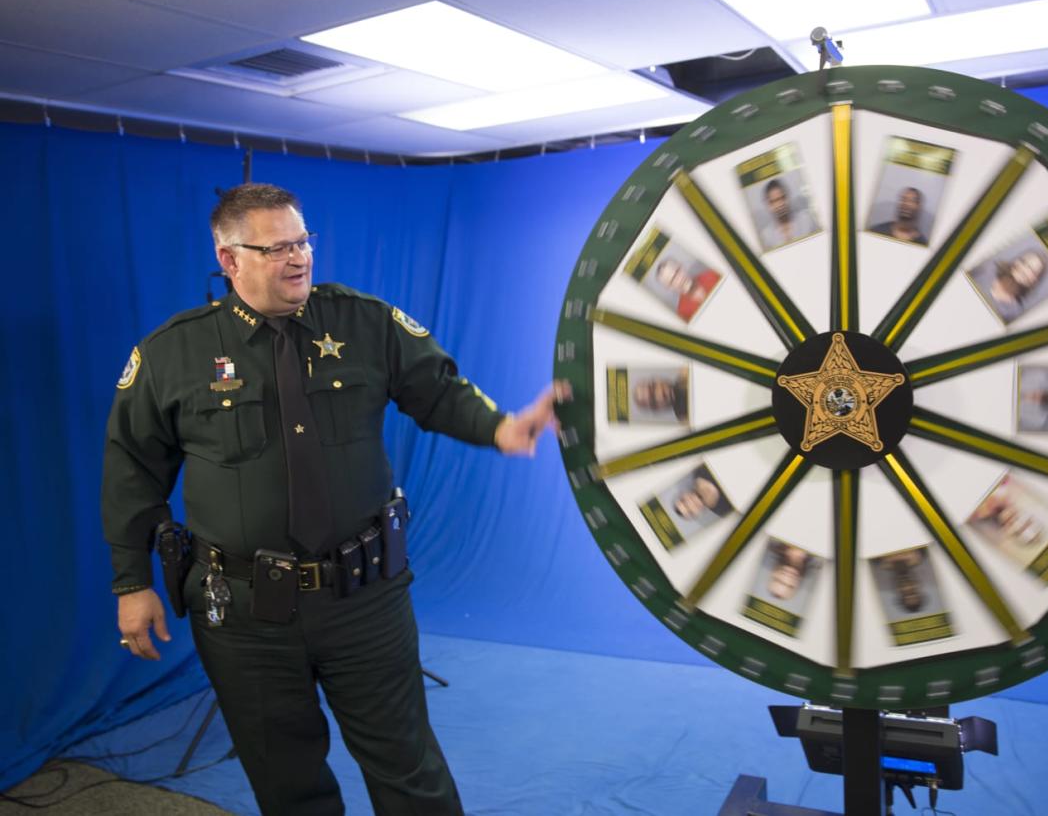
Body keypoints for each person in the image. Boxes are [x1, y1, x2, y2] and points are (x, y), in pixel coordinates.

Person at [102, 183, 557, 816]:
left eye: (303, 241)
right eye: (277, 247)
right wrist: (132, 582)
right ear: (229, 259)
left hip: (363, 597)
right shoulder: (172, 354)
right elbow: (132, 470)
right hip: (243, 613)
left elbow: (439, 391)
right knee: (287, 782)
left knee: (408, 768)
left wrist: (503, 429)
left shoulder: (364, 322)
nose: (299, 258)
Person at [983, 249, 1048, 322]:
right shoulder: (988, 268)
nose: (1023, 268)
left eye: (1031, 270)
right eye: (1023, 261)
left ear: (1034, 281)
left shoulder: (1014, 313)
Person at [757, 177, 819, 249]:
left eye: (783, 198)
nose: (780, 204)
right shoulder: (767, 237)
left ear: (788, 197)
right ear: (768, 204)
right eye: (774, 201)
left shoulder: (807, 220)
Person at [653, 257, 720, 322]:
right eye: (673, 279)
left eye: (677, 271)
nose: (680, 278)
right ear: (670, 287)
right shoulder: (683, 314)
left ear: (682, 266)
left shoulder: (712, 274)